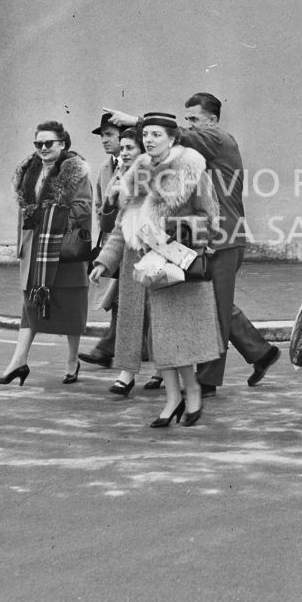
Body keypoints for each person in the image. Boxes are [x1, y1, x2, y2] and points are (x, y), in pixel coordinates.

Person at [104, 95, 280, 394]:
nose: (190, 125)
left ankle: (207, 381)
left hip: (222, 239)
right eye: (187, 119)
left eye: (195, 119)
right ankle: (260, 352)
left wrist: (138, 122)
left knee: (216, 310)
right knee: (212, 301)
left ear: (212, 120)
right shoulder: (203, 147)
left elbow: (180, 136)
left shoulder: (219, 139)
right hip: (207, 237)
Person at [91, 112, 221, 427]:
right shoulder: (138, 172)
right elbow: (123, 225)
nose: (149, 140)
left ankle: (192, 393)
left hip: (177, 266)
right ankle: (173, 398)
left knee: (178, 339)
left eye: (156, 135)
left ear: (172, 138)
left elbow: (210, 219)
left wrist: (170, 226)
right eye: (146, 134)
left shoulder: (192, 170)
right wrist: (104, 261)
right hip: (148, 269)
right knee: (163, 340)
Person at [0, 120, 93, 387]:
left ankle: (72, 360)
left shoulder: (76, 173)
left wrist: (48, 216)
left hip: (62, 248)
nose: (43, 148)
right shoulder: (30, 171)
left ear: (62, 144)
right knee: (31, 305)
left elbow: (83, 209)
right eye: (39, 143)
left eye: (49, 143)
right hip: (33, 249)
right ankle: (18, 362)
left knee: (70, 307)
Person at [100, 126, 150, 397]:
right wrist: (110, 200)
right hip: (131, 257)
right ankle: (126, 373)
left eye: (131, 148)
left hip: (156, 255)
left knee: (156, 317)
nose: (125, 153)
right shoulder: (119, 175)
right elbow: (113, 224)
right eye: (123, 148)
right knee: (130, 316)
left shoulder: (153, 175)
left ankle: (161, 371)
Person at [77, 114, 123, 372]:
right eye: (102, 136)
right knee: (121, 299)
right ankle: (111, 349)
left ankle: (107, 349)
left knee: (124, 299)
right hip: (113, 242)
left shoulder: (136, 164)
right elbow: (98, 204)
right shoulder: (106, 168)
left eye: (109, 135)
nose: (104, 140)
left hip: (132, 242)